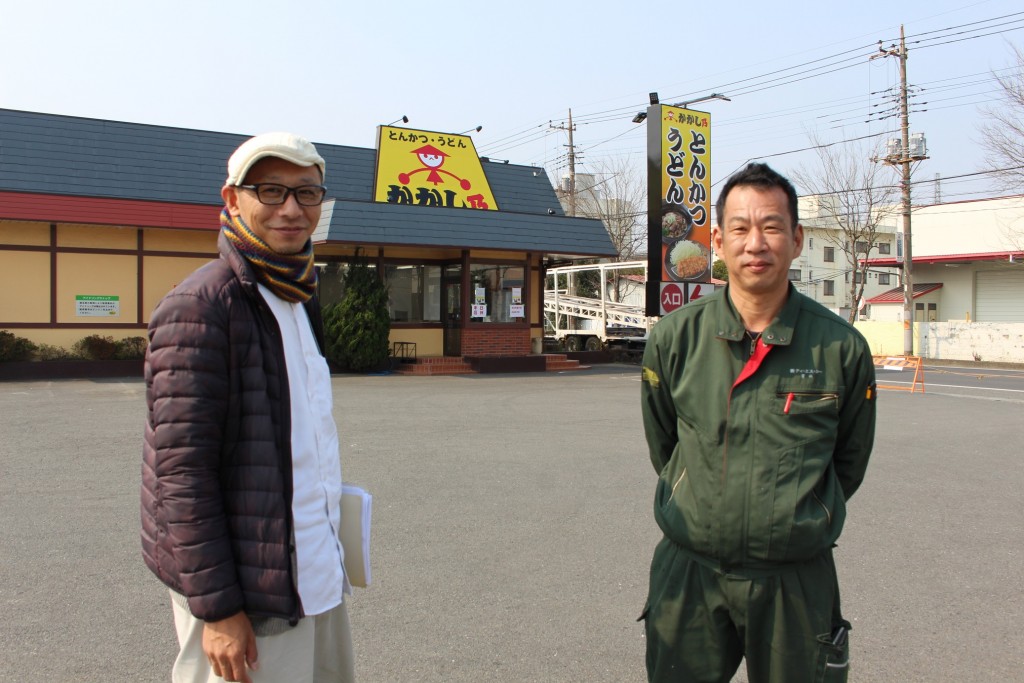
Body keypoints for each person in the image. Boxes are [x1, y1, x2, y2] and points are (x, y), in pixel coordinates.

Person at [639, 163, 877, 683]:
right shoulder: (674, 340)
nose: (756, 243)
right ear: (719, 242)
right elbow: (665, 444)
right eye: (741, 229)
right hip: (691, 576)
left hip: (795, 581)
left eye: (771, 227)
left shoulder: (840, 348)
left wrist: (798, 512)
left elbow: (849, 461)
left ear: (796, 239)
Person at [142, 132, 355, 683]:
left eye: (307, 194)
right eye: (270, 190)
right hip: (247, 600)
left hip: (310, 575)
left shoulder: (296, 296)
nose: (291, 209)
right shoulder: (201, 306)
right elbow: (181, 475)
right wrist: (216, 609)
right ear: (232, 200)